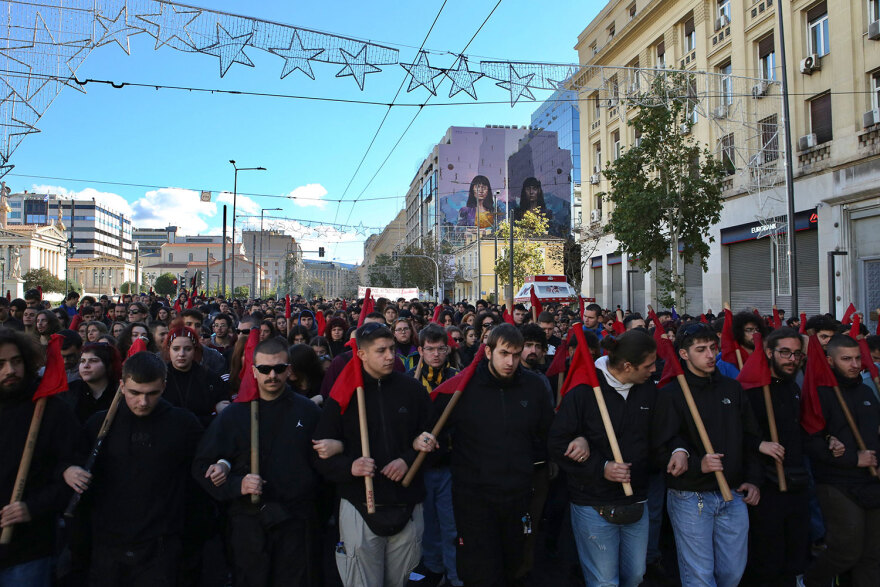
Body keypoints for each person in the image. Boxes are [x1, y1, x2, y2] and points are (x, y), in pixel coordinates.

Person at [428, 323, 553, 586]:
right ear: (488, 352)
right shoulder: (462, 390)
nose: (511, 361)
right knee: (480, 571)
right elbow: (432, 428)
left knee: (514, 566)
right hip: (474, 499)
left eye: (516, 355)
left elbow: (546, 433)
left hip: (517, 495)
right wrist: (424, 439)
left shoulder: (534, 387)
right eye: (504, 353)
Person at [193, 336, 323, 587]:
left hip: (296, 525)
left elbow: (323, 471)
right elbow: (202, 466)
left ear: (290, 370)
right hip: (248, 525)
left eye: (279, 368)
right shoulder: (234, 414)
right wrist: (236, 484)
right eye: (264, 369)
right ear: (253, 370)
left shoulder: (308, 411)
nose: (272, 375)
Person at [64, 351, 202, 586]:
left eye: (152, 394)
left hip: (161, 545)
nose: (143, 402)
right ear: (122, 386)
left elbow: (198, 482)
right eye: (135, 393)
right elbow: (71, 459)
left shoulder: (184, 424)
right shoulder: (99, 424)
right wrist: (69, 471)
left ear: (164, 386)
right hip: (108, 543)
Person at [313, 322, 432, 587]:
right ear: (362, 354)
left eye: (391, 348)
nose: (390, 356)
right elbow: (321, 454)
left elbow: (433, 441)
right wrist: (350, 467)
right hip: (359, 504)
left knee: (401, 581)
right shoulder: (344, 396)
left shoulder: (412, 391)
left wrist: (407, 461)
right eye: (381, 351)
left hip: (407, 502)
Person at [652, 323, 763, 587]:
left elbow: (750, 437)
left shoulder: (731, 389)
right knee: (700, 576)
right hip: (691, 496)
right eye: (701, 350)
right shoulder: (670, 394)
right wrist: (695, 465)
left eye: (713, 348)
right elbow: (659, 447)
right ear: (684, 354)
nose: (711, 355)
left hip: (733, 493)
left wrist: (754, 478)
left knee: (732, 573)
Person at [549, 330, 658, 587]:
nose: (655, 369)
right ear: (628, 366)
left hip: (636, 501)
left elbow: (660, 436)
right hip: (593, 503)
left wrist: (678, 452)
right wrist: (601, 467)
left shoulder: (649, 391)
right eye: (649, 365)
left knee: (635, 575)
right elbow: (557, 442)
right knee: (604, 582)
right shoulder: (584, 390)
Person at [0, 329, 80, 585]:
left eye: (16, 361)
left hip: (28, 548)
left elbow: (70, 472)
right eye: (0, 364)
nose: (10, 370)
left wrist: (32, 508)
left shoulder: (51, 409)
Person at [803, 334, 880, 587]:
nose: (855, 364)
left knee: (872, 555)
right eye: (846, 359)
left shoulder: (868, 391)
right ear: (830, 360)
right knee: (847, 548)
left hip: (872, 482)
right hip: (837, 483)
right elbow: (811, 441)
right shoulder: (821, 395)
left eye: (857, 358)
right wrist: (851, 459)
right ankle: (811, 582)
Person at [744, 328, 812, 585]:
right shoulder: (751, 391)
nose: (792, 359)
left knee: (794, 556)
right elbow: (735, 435)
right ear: (769, 353)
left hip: (795, 482)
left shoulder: (793, 387)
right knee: (767, 559)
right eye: (785, 353)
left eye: (797, 354)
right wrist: (759, 444)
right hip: (764, 486)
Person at [406, 324, 461, 587]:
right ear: (421, 351)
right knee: (426, 524)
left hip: (449, 463)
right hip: (421, 465)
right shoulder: (410, 381)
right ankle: (433, 566)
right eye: (430, 349)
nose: (436, 354)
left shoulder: (457, 380)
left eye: (441, 349)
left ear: (448, 350)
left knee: (450, 524)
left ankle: (453, 573)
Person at [163, 325, 229, 428]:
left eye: (187, 349)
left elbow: (223, 409)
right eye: (176, 349)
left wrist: (217, 409)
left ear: (195, 350)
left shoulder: (209, 377)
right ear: (169, 350)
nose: (181, 354)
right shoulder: (159, 377)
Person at [62, 343, 122, 425]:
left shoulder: (119, 392)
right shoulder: (69, 391)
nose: (86, 366)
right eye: (82, 361)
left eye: (93, 361)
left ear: (108, 365)